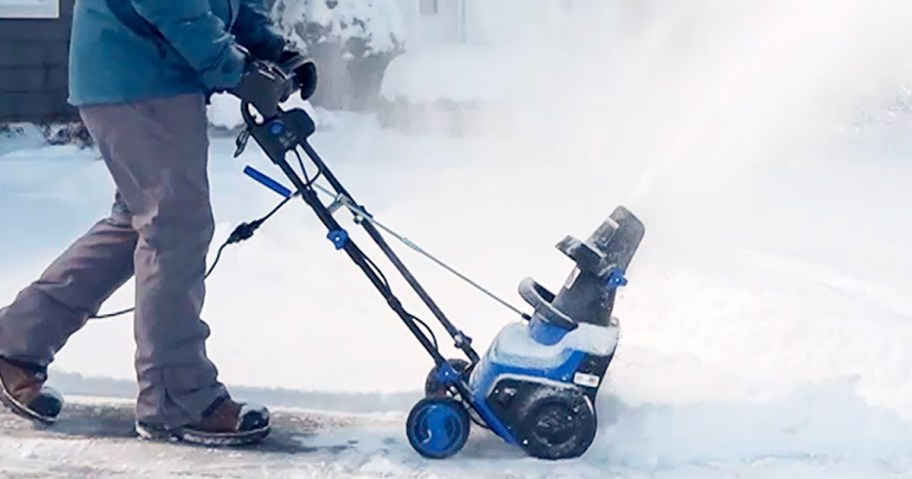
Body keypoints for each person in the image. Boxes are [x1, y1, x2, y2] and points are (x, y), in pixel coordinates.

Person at [0, 0, 316, 446]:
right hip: (138, 77)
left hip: (151, 77)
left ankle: (15, 342)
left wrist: (274, 49)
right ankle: (176, 399)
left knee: (138, 223)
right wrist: (234, 68)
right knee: (174, 227)